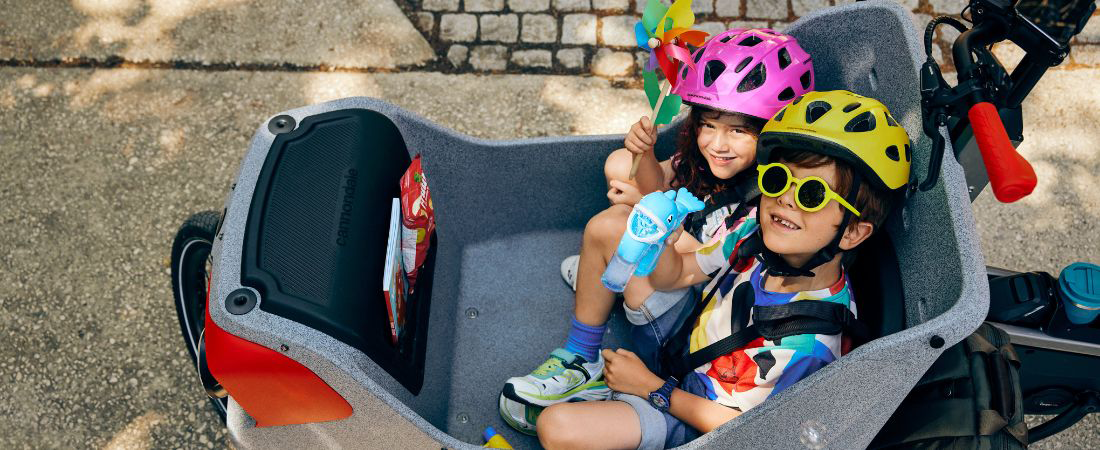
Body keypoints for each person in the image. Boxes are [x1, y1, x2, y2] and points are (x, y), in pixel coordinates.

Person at [534, 90, 913, 449]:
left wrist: (652, 388)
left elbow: (759, 436)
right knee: (609, 228)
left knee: (556, 428)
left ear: (852, 232)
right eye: (779, 179)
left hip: (695, 416)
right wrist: (664, 237)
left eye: (811, 194)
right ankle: (581, 358)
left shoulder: (810, 346)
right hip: (685, 338)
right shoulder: (752, 228)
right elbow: (676, 275)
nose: (784, 199)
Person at [498, 30, 817, 422]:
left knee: (610, 226)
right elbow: (659, 179)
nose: (718, 143)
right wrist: (645, 153)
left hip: (687, 311)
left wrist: (643, 211)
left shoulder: (762, 203)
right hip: (673, 271)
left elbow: (689, 264)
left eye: (738, 131)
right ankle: (601, 275)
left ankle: (582, 360)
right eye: (710, 124)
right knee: (620, 165)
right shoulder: (710, 163)